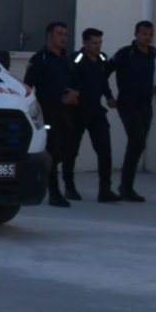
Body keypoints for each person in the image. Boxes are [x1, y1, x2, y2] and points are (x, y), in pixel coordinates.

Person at [23, 21, 78, 206]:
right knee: (52, 150)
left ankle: (45, 176)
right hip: (48, 111)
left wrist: (76, 94)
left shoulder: (68, 59)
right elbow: (27, 86)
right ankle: (54, 192)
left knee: (67, 150)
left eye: (66, 34)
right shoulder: (40, 59)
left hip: (66, 112)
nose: (64, 38)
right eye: (59, 34)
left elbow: (78, 84)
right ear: (49, 36)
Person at [67, 26, 120, 203]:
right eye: (94, 43)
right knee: (71, 150)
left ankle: (105, 190)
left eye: (100, 43)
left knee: (105, 150)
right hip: (78, 110)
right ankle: (69, 187)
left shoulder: (102, 59)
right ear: (84, 43)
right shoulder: (76, 59)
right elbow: (67, 79)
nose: (97, 46)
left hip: (96, 111)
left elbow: (103, 80)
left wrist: (109, 96)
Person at [111, 20, 156, 203]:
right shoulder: (125, 53)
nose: (147, 37)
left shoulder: (152, 53)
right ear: (136, 34)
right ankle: (126, 186)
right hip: (128, 103)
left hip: (145, 103)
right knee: (136, 140)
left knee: (139, 143)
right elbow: (105, 69)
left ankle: (127, 186)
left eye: (150, 34)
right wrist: (108, 95)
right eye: (144, 34)